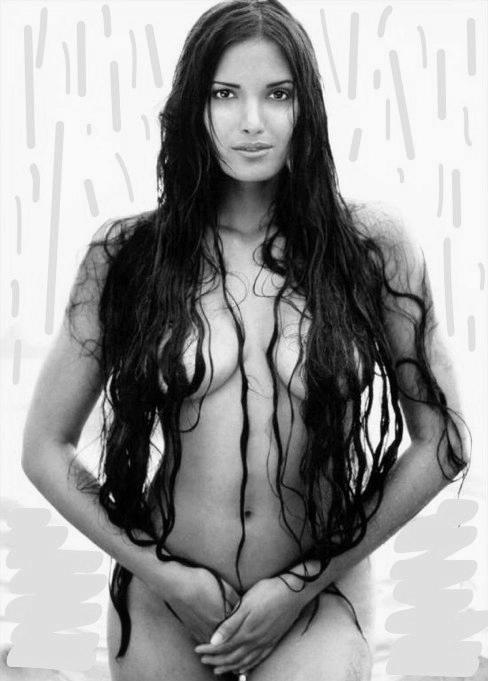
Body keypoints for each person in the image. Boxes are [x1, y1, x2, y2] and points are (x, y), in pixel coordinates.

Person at [21, 1, 470, 679]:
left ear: (307, 109)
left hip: (318, 593)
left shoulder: (370, 249)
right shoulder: (129, 255)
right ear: (193, 108)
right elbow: (43, 448)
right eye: (225, 94)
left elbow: (444, 440)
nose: (252, 121)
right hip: (166, 591)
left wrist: (297, 587)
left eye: (278, 94)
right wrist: (170, 578)